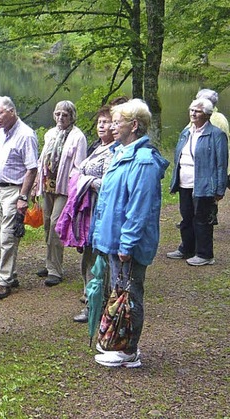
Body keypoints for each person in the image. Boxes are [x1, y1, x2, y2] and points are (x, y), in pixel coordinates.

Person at [92, 99, 169, 368]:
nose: (112, 126)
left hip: (130, 244)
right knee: (120, 292)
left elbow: (139, 209)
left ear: (134, 126)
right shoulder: (121, 153)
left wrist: (127, 244)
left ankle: (129, 351)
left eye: (118, 122)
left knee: (131, 294)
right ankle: (119, 344)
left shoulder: (144, 161)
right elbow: (110, 201)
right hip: (115, 240)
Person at [55, 104, 117, 322]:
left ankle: (97, 306)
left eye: (106, 122)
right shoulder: (96, 147)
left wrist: (85, 180)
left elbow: (109, 185)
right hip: (87, 214)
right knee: (88, 260)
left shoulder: (114, 152)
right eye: (99, 121)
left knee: (98, 262)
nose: (101, 125)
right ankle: (93, 301)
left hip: (101, 214)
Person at [0, 96, 38, 300]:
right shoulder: (1, 132)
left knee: (8, 235)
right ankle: (8, 273)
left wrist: (23, 197)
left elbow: (32, 168)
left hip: (14, 190)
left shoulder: (25, 135)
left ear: (12, 111)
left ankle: (4, 280)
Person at [167, 98, 228, 266]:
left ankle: (205, 254)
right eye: (192, 110)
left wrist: (220, 188)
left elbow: (222, 163)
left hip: (204, 184)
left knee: (201, 218)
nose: (193, 113)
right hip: (184, 182)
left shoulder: (217, 134)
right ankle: (187, 248)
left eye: (197, 111)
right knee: (186, 216)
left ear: (207, 114)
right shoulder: (186, 132)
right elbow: (178, 158)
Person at [35, 100, 87, 287]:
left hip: (64, 188)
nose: (60, 118)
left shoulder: (77, 137)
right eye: (58, 114)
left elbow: (79, 166)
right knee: (47, 224)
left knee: (57, 225)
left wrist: (75, 186)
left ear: (72, 116)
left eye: (65, 115)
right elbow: (43, 159)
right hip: (47, 185)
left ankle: (55, 270)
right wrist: (36, 182)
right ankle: (50, 263)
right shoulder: (50, 134)